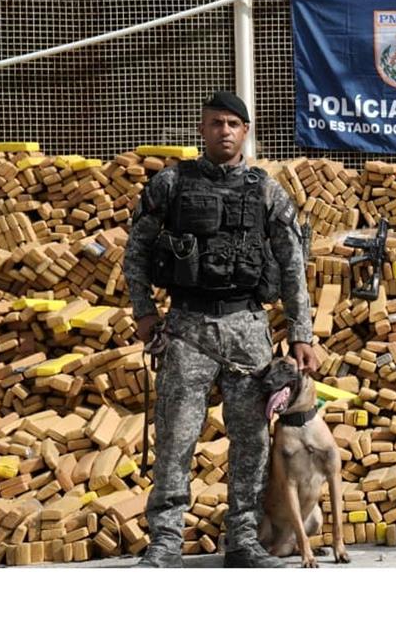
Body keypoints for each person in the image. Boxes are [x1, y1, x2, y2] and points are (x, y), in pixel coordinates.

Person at [123, 91, 319, 568]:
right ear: (202, 129)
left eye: (233, 124)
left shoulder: (267, 191)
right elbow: (137, 250)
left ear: (245, 131)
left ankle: (244, 540)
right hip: (187, 328)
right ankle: (166, 541)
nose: (224, 131)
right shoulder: (171, 184)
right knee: (176, 437)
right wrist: (144, 311)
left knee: (252, 442)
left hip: (247, 329)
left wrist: (301, 333)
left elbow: (293, 265)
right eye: (215, 123)